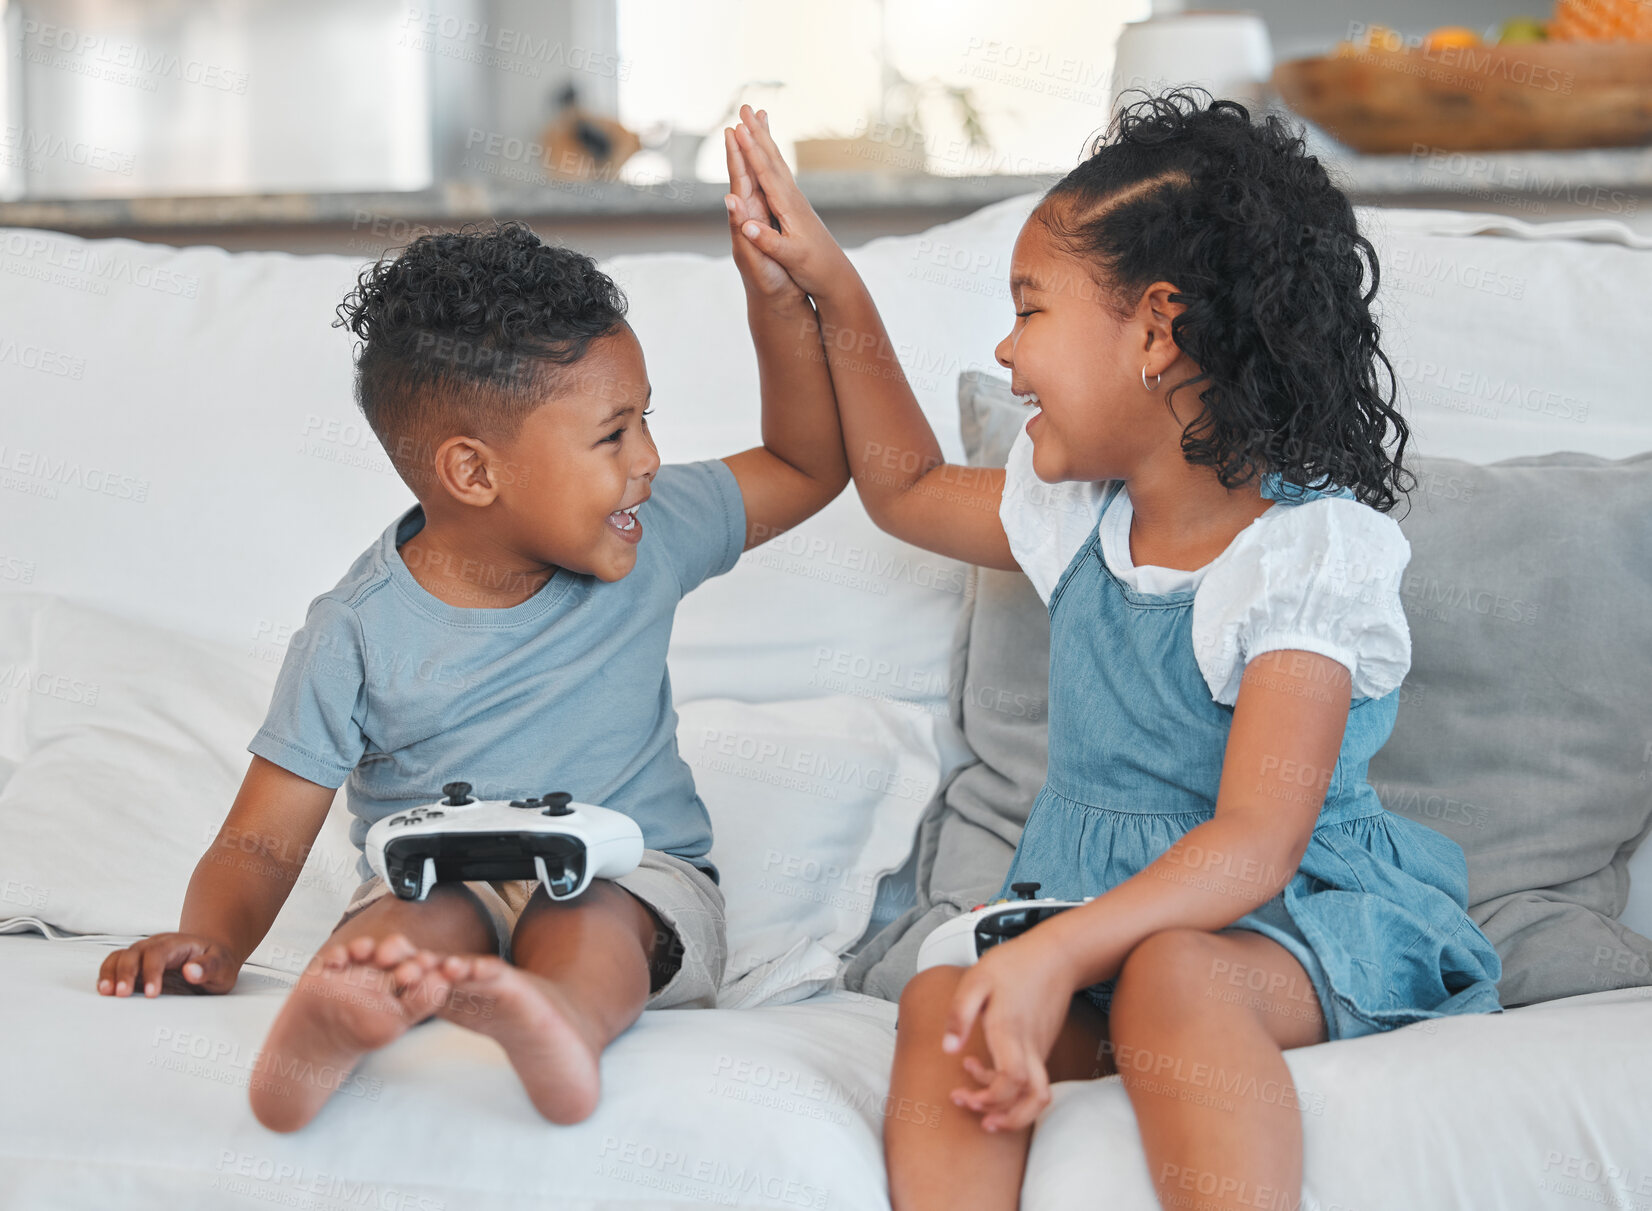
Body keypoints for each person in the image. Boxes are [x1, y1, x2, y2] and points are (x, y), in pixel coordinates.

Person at [726, 90, 1503, 1211]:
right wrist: (830, 286)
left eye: (1029, 308)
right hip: (1094, 916)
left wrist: (1053, 955)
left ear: (1151, 330)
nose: (1004, 349)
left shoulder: (1305, 554)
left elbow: (1253, 842)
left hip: (1283, 926)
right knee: (947, 1004)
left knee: (1171, 974)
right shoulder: (1074, 514)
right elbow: (895, 488)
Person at [94, 111, 847, 1135]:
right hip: (442, 866)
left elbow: (809, 463)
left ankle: (561, 1022)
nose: (649, 460)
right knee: (410, 919)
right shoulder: (355, 630)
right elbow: (261, 840)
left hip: (631, 875)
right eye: (613, 432)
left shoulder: (651, 528)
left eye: (646, 418)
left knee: (589, 916)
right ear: (472, 471)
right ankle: (334, 1023)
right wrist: (207, 943)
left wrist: (775, 300)